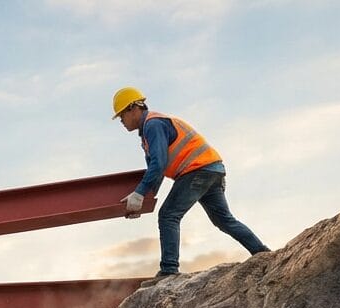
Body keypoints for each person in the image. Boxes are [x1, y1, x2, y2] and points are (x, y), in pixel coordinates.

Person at [112, 87, 270, 287]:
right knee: (224, 220)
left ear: (134, 108)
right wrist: (141, 201)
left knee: (168, 215)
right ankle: (262, 253)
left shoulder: (153, 125)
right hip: (212, 169)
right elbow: (156, 172)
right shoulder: (149, 132)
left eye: (122, 116)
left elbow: (158, 164)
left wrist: (140, 193)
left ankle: (169, 270)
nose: (121, 122)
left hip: (197, 170)